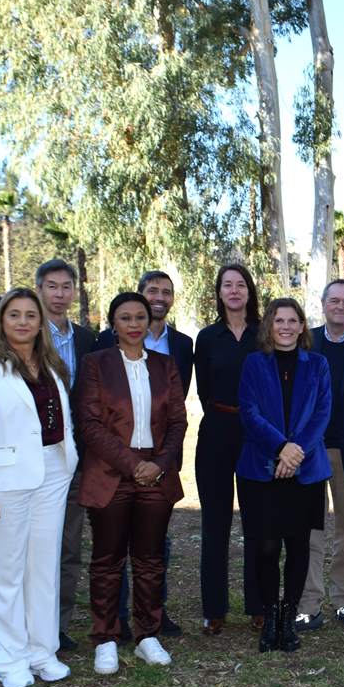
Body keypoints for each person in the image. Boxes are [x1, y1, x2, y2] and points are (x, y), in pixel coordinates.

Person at [0, 288, 78, 687]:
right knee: (6, 573)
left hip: (53, 472)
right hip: (5, 482)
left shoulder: (51, 366)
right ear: (2, 321)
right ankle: (8, 658)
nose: (23, 322)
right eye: (15, 315)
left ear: (41, 323)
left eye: (31, 315)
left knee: (43, 569)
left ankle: (42, 652)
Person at [76, 292, 187, 675]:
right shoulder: (95, 364)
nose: (135, 324)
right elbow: (89, 424)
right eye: (126, 317)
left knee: (150, 559)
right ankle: (106, 638)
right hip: (111, 473)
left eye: (140, 317)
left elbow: (177, 422)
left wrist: (156, 464)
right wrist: (132, 463)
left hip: (156, 474)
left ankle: (147, 635)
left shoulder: (165, 365)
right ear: (113, 323)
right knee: (107, 560)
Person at [95, 270, 193, 638]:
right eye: (152, 291)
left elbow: (176, 414)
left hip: (160, 465)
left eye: (166, 292)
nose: (159, 297)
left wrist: (162, 462)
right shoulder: (102, 349)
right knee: (111, 549)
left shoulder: (180, 348)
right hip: (112, 464)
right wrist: (132, 463)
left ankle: (152, 618)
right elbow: (94, 414)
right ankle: (114, 620)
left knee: (154, 549)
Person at [237, 298, 333, 651]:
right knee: (265, 546)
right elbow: (249, 412)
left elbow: (322, 413)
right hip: (261, 469)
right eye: (280, 320)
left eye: (293, 320)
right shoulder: (253, 364)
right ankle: (269, 616)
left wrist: (296, 453)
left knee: (297, 545)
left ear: (302, 326)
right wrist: (281, 448)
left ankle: (289, 617)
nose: (287, 326)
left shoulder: (318, 365)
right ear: (269, 325)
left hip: (304, 471)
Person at [294, 279, 344, 632]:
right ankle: (308, 603)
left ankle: (343, 600)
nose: (340, 307)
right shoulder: (305, 340)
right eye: (334, 301)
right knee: (310, 529)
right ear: (323, 304)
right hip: (309, 449)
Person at [33, 259, 99, 653]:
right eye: (52, 286)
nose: (59, 294)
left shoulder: (87, 340)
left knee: (69, 545)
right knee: (27, 544)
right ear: (39, 288)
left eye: (66, 287)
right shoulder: (23, 333)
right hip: (32, 455)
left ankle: (56, 625)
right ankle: (15, 625)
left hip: (73, 456)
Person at [193, 264, 262, 635]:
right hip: (217, 431)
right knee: (215, 524)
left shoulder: (263, 334)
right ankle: (214, 609)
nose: (234, 290)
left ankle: (258, 605)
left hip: (256, 435)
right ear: (219, 293)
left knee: (257, 523)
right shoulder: (206, 338)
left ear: (249, 292)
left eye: (240, 285)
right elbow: (203, 389)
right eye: (227, 285)